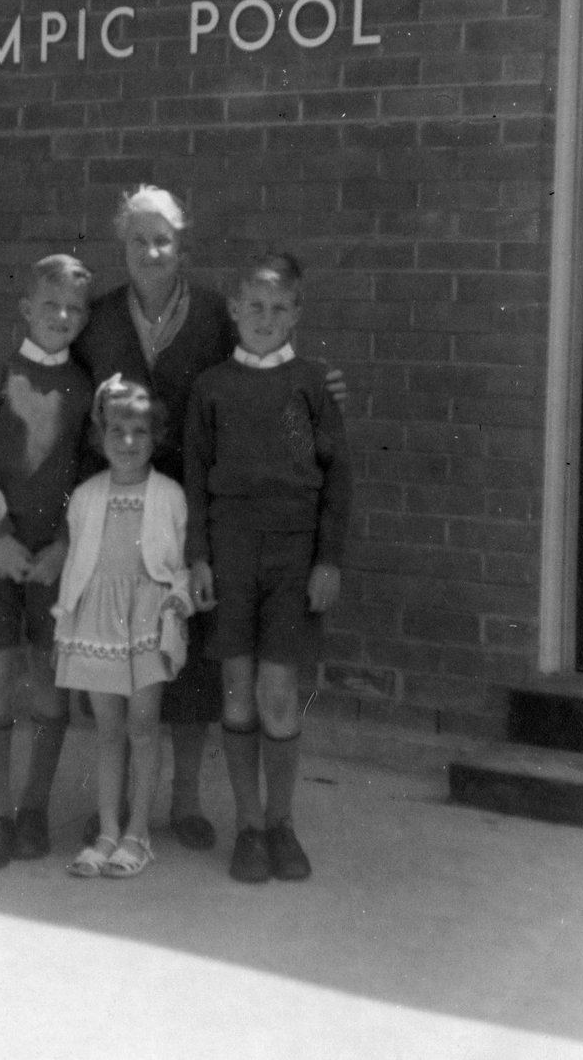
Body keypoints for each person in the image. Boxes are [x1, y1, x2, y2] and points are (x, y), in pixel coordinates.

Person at [0, 184, 347, 848]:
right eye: (138, 239)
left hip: (186, 504)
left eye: (163, 238)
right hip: (108, 501)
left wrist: (322, 386)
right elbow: (50, 382)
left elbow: (260, 364)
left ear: (181, 244)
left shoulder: (217, 314)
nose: (151, 250)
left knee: (181, 656)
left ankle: (184, 800)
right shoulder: (99, 318)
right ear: (123, 247)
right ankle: (114, 805)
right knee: (115, 651)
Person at [183, 253, 352, 883]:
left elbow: (338, 479)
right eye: (254, 306)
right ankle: (249, 829)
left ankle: (282, 824)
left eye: (280, 308)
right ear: (233, 311)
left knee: (278, 692)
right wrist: (199, 555)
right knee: (236, 690)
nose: (265, 318)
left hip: (292, 554)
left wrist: (327, 561)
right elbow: (196, 479)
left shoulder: (311, 383)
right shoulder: (211, 387)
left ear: (297, 314)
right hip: (230, 552)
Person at [0, 253, 94, 870]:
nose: (62, 317)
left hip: (56, 561)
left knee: (52, 680)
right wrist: (0, 535)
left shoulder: (85, 389)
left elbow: (91, 473)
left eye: (74, 309)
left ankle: (36, 807)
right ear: (26, 309)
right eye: (50, 305)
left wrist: (65, 544)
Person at [53, 376, 193, 878]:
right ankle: (108, 829)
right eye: (117, 430)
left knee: (143, 726)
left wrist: (177, 604)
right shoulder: (88, 496)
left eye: (139, 431)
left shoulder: (169, 495)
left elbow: (177, 564)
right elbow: (77, 565)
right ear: (100, 435)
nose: (128, 442)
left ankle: (139, 832)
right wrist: (66, 620)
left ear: (155, 437)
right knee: (108, 729)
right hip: (99, 621)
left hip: (148, 619)